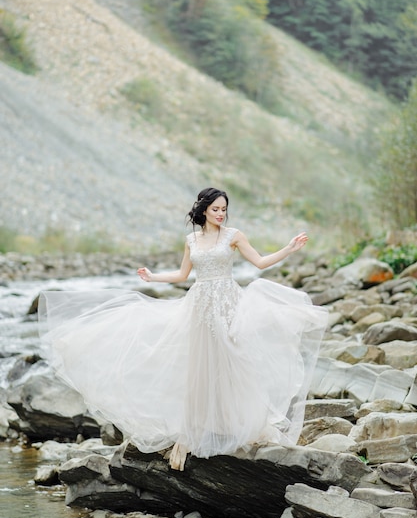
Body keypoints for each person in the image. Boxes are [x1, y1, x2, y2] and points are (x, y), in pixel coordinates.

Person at [39, 187, 328, 471]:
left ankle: (235, 424)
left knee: (232, 362)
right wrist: (153, 277)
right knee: (200, 367)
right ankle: (200, 427)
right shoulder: (191, 239)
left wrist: (289, 248)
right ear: (203, 210)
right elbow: (182, 274)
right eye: (215, 209)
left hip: (227, 304)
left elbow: (260, 262)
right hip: (199, 306)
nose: (221, 214)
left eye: (224, 209)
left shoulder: (234, 236)